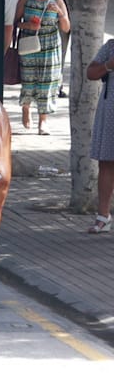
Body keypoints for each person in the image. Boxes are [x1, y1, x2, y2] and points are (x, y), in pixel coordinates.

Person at [8, 0, 67, 135]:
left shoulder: (58, 1)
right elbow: (15, 22)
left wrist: (60, 13)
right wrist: (27, 25)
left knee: (47, 83)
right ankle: (26, 107)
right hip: (30, 43)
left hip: (50, 45)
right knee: (29, 79)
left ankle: (43, 121)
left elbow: (66, 27)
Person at [85, 35, 114, 232]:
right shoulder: (110, 46)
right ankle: (103, 216)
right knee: (107, 162)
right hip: (110, 111)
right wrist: (109, 65)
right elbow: (91, 72)